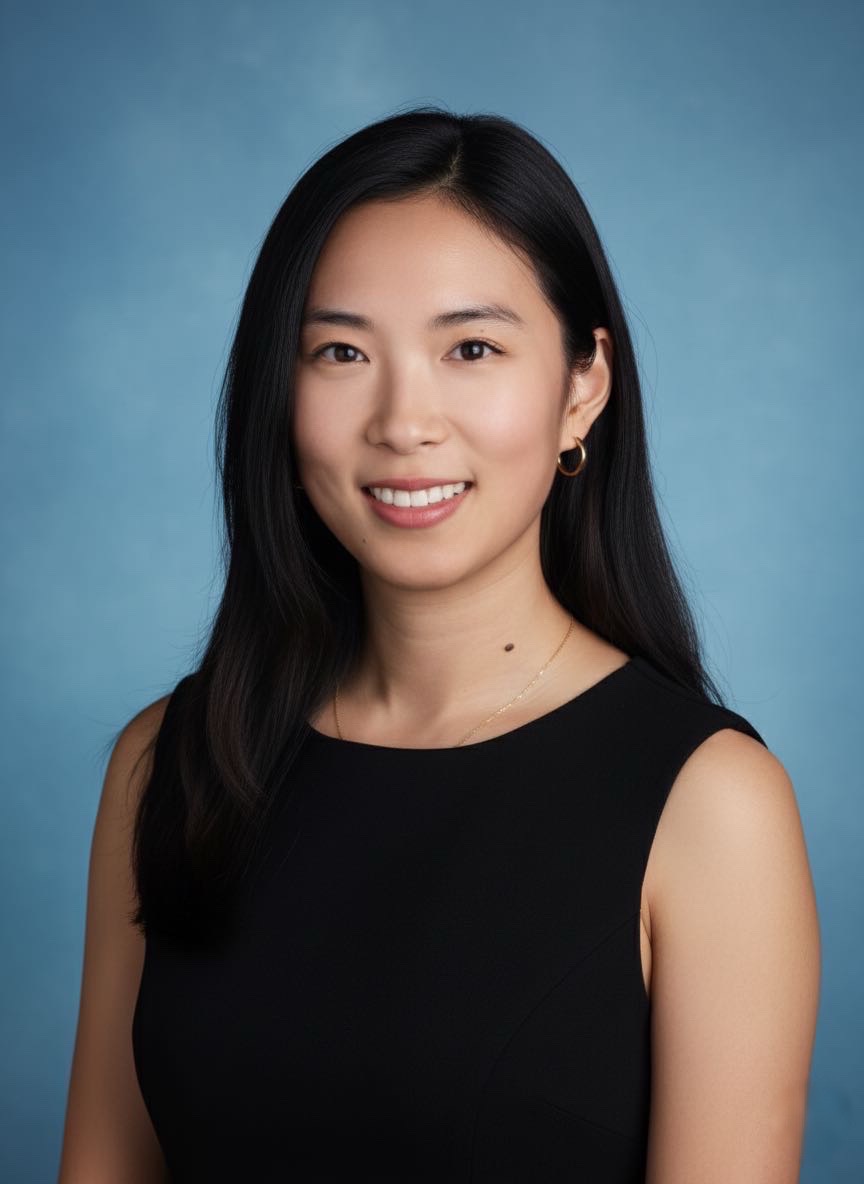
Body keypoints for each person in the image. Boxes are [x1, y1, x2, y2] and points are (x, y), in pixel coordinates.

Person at [58, 107, 820, 1183]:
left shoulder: (711, 804)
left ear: (582, 385)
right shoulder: (169, 763)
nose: (403, 420)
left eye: (471, 347)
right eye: (339, 350)